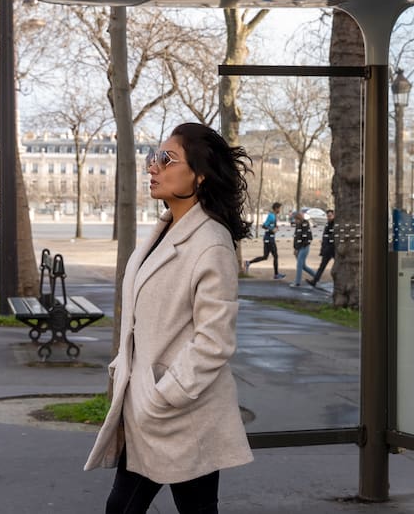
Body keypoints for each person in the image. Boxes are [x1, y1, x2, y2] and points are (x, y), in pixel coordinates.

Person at [86, 123, 253, 514]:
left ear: (199, 175)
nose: (152, 167)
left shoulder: (211, 243)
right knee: (124, 507)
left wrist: (165, 396)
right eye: (152, 158)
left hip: (181, 414)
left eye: (166, 159)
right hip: (148, 408)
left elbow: (215, 341)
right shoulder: (164, 230)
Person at [245, 201, 284, 280]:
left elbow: (271, 226)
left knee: (265, 257)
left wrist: (275, 228)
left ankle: (248, 263)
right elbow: (264, 226)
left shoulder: (274, 216)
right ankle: (276, 274)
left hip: (268, 239)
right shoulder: (271, 216)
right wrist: (272, 230)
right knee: (275, 256)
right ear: (276, 208)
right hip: (269, 239)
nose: (280, 210)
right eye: (279, 208)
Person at [290, 209, 317, 288]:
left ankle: (297, 282)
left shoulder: (305, 224)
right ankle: (316, 276)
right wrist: (295, 248)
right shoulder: (298, 225)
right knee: (303, 266)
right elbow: (296, 237)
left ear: (299, 218)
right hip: (299, 247)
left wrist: (298, 248)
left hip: (304, 247)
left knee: (299, 265)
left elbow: (307, 237)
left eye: (296, 219)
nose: (295, 221)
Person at [310, 208, 335, 290]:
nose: (329, 217)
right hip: (328, 249)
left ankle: (315, 280)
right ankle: (315, 280)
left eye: (330, 216)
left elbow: (330, 237)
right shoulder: (328, 224)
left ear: (333, 215)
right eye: (328, 216)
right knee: (322, 266)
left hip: (333, 249)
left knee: (334, 267)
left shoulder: (334, 224)